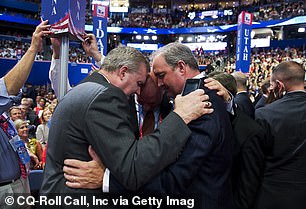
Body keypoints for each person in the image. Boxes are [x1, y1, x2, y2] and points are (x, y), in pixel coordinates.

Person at [64, 43, 234, 209]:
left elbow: (173, 180)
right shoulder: (195, 98)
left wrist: (107, 180)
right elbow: (121, 72)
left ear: (181, 68)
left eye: (160, 75)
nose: (158, 83)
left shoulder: (200, 105)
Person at [40, 45, 211, 196]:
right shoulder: (105, 96)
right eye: (139, 83)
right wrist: (180, 117)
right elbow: (132, 169)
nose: (138, 92)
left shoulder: (85, 88)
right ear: (123, 72)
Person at [0, 20, 52, 209]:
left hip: (19, 180)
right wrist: (33, 49)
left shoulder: (3, 114)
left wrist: (22, 154)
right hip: (4, 190)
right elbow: (8, 89)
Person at [255, 61, 306, 209]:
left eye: (271, 85)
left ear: (280, 85)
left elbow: (256, 160)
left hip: (273, 195)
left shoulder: (264, 113)